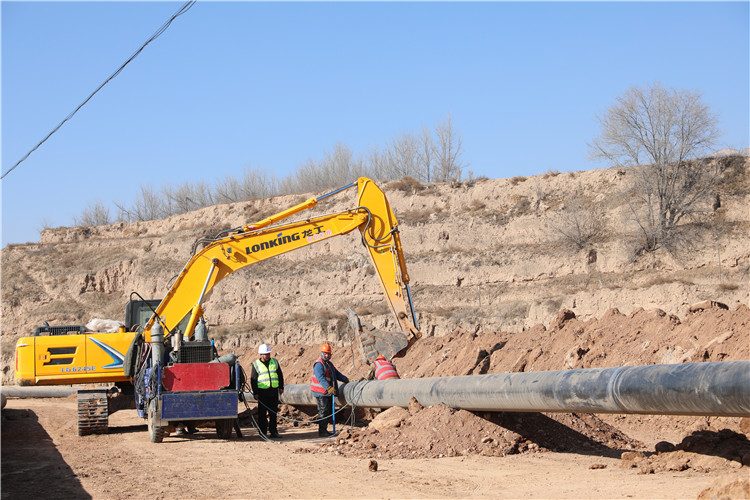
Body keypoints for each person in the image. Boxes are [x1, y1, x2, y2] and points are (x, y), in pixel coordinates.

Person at [310, 343, 349, 437]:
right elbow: (321, 378)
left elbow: (336, 373)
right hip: (320, 392)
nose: (327, 355)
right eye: (325, 353)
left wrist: (344, 379)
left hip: (326, 392)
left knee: (327, 411)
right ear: (321, 353)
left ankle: (324, 430)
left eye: (328, 354)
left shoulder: (329, 364)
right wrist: (328, 388)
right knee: (323, 412)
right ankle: (322, 431)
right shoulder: (319, 364)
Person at [250, 343, 284, 439]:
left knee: (273, 413)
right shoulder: (256, 364)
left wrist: (281, 387)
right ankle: (263, 432)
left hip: (273, 391)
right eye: (266, 354)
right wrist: (255, 393)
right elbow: (253, 379)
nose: (268, 355)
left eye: (269, 353)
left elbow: (280, 375)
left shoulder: (274, 362)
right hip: (262, 393)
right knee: (262, 414)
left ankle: (274, 432)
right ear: (261, 354)